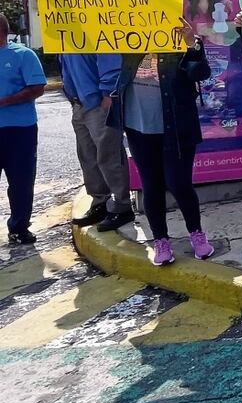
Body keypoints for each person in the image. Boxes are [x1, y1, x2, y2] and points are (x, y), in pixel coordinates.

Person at [116, 19, 215, 266]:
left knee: (179, 183)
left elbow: (201, 73)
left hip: (176, 128)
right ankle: (160, 241)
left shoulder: (178, 39)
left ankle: (197, 234)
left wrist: (191, 43)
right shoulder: (127, 38)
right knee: (151, 186)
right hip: (138, 126)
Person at [62, 52, 135, 231]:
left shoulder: (90, 30)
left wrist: (108, 94)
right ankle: (100, 201)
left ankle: (122, 204)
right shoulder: (63, 32)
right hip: (79, 103)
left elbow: (110, 60)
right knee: (88, 157)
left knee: (108, 156)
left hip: (98, 103)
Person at [0, 13, 46, 245]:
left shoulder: (23, 55)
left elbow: (37, 87)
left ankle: (19, 227)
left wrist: (4, 101)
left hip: (20, 130)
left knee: (21, 182)